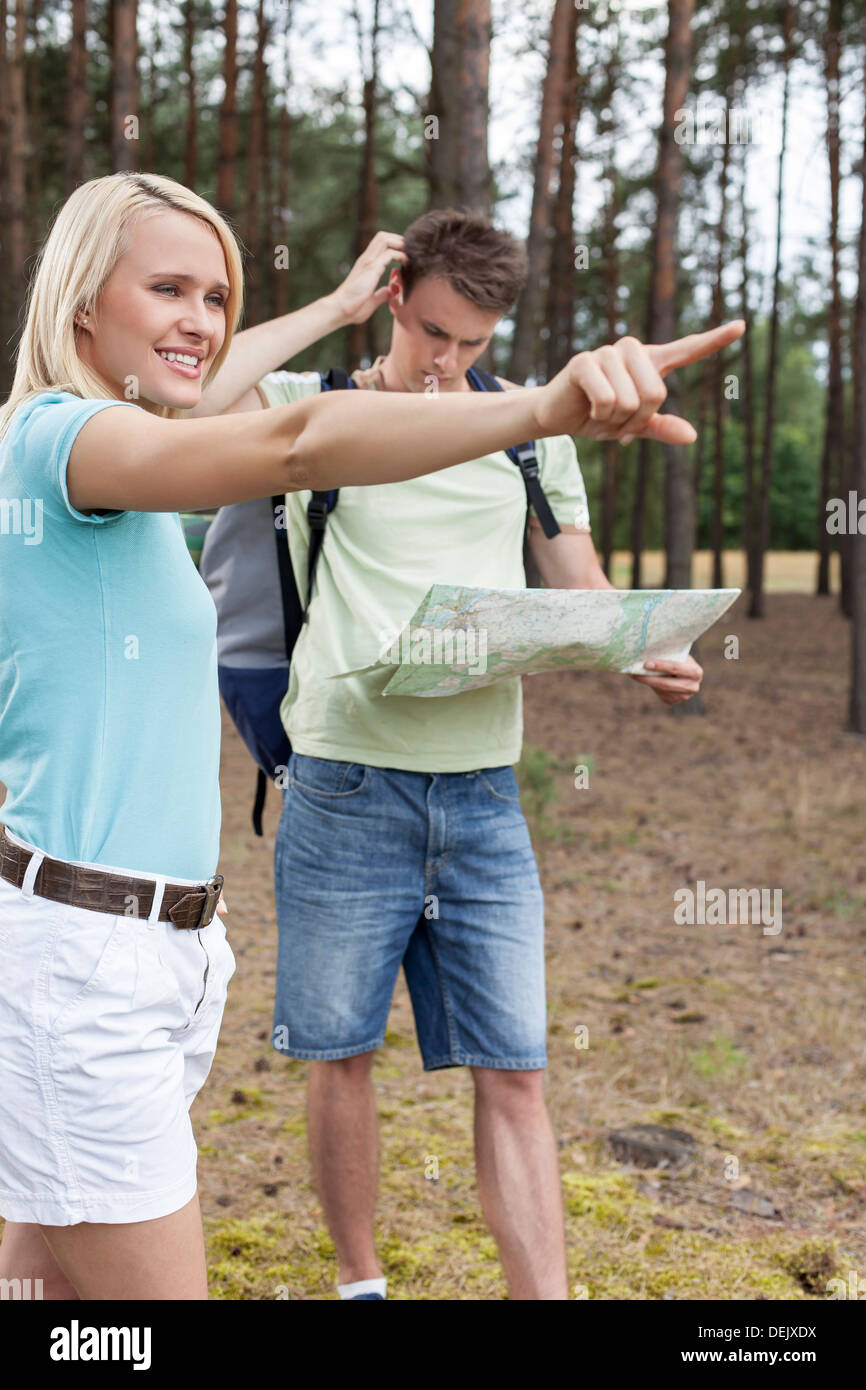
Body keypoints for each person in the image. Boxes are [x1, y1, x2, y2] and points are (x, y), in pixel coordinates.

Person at [0, 174, 688, 1302]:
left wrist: (327, 305)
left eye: (216, 294)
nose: (202, 319)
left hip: (147, 944)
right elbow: (294, 443)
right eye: (166, 287)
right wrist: (540, 404)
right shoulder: (66, 444)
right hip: (89, 953)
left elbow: (210, 391)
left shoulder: (114, 460)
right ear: (80, 299)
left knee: (46, 1288)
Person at [199, 208, 744, 1300]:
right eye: (434, 331)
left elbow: (578, 582)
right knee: (340, 1051)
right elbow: (194, 400)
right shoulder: (311, 411)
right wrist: (335, 308)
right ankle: (361, 1284)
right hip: (344, 781)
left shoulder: (532, 432)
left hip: (483, 795)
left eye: (475, 343)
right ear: (396, 294)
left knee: (518, 1067)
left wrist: (637, 645)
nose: (449, 362)